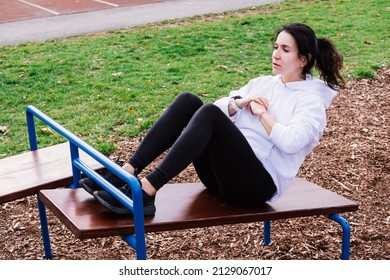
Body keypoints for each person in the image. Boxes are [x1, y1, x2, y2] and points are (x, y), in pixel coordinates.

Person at [79, 22, 344, 216]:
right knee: (189, 101)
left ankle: (147, 191)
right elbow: (215, 106)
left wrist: (262, 114)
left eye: (285, 49)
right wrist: (240, 102)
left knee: (209, 114)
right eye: (276, 47)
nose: (276, 54)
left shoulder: (311, 101)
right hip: (223, 176)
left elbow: (291, 142)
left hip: (255, 187)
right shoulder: (264, 83)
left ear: (303, 59)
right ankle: (127, 173)